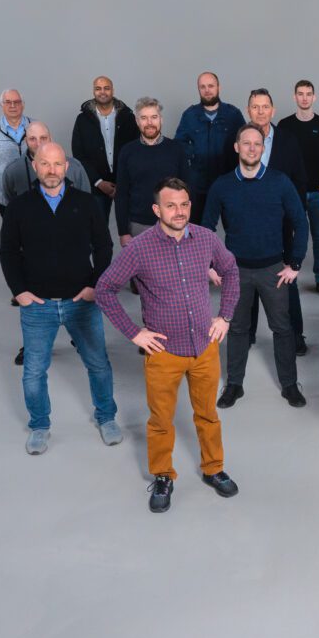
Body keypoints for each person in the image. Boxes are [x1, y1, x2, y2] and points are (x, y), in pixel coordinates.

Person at [96, 178, 241, 513]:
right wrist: (134, 333)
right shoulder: (139, 248)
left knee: (208, 414)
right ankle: (163, 475)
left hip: (205, 346)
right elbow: (104, 289)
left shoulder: (205, 238)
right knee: (161, 419)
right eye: (171, 205)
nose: (179, 211)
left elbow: (231, 271)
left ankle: (213, 468)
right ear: (156, 209)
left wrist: (225, 317)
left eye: (184, 204)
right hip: (164, 354)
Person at [0, 143, 118, 455]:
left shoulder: (86, 203)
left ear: (66, 167)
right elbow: (8, 252)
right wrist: (19, 291)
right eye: (45, 164)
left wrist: (95, 285)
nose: (51, 170)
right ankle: (39, 425)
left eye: (57, 164)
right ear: (35, 166)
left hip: (82, 301)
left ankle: (106, 417)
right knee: (34, 371)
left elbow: (104, 247)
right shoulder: (20, 207)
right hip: (38, 305)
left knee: (98, 364)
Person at [202, 124, 309, 409]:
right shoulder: (222, 185)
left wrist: (295, 263)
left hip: (273, 270)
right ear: (236, 147)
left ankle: (289, 385)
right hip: (235, 272)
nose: (252, 148)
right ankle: (234, 385)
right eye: (246, 143)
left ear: (263, 148)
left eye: (257, 144)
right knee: (237, 328)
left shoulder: (279, 181)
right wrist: (209, 264)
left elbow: (301, 222)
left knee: (282, 328)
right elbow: (205, 228)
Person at [244, 87, 309, 355]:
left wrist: (296, 218)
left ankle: (295, 336)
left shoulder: (288, 140)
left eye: (265, 106)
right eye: (255, 107)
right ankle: (246, 334)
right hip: (247, 226)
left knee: (287, 280)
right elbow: (227, 183)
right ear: (248, 110)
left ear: (273, 110)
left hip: (282, 225)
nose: (260, 111)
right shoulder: (239, 139)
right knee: (247, 281)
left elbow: (299, 180)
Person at [278, 79, 319, 297]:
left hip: (318, 193)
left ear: (314, 97)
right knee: (290, 235)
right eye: (300, 94)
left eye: (308, 94)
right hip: (292, 192)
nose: (304, 98)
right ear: (295, 97)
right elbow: (280, 160)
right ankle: (288, 275)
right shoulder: (285, 125)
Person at [174, 71, 245, 225]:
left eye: (211, 86)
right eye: (203, 87)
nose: (207, 90)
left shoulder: (233, 114)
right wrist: (194, 154)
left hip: (228, 182)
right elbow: (179, 144)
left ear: (219, 87)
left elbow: (244, 143)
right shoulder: (190, 115)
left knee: (235, 227)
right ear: (198, 89)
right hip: (198, 185)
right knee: (197, 229)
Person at [115, 97, 188, 246]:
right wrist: (123, 232)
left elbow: (187, 190)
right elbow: (121, 194)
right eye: (144, 118)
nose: (149, 122)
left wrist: (186, 223)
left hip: (172, 223)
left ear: (161, 119)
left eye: (154, 117)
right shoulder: (127, 151)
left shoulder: (177, 149)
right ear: (137, 121)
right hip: (138, 226)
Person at [71, 76, 140, 228]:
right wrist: (98, 182)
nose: (102, 92)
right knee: (98, 230)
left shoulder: (128, 117)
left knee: (133, 229)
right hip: (97, 185)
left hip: (126, 183)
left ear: (113, 90)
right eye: (98, 88)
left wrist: (123, 181)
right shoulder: (82, 120)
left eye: (106, 88)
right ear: (93, 91)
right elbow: (79, 155)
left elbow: (136, 151)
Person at [3, 121, 91, 203]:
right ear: (26, 141)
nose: (38, 144)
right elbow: (12, 205)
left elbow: (86, 201)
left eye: (43, 138)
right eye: (32, 139)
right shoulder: (12, 171)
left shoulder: (75, 167)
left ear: (50, 138)